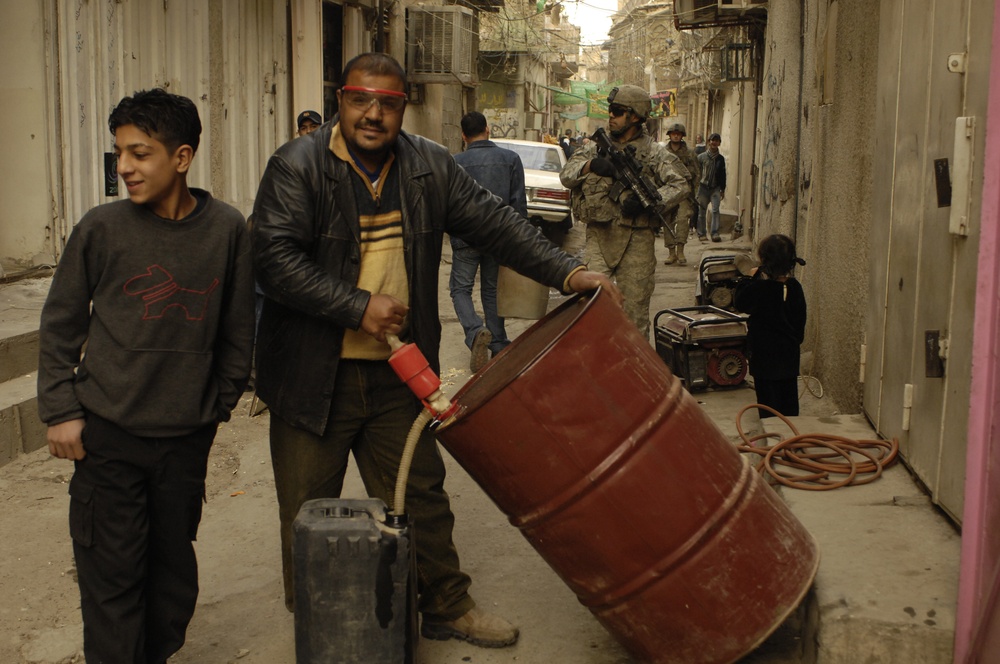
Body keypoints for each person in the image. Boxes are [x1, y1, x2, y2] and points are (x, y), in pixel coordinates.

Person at [249, 53, 619, 649]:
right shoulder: (297, 165)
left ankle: (447, 604)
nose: (373, 114)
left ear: (403, 108)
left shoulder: (429, 166)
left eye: (387, 104)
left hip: (397, 371)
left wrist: (570, 273)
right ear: (340, 100)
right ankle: (317, 622)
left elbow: (497, 225)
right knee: (307, 510)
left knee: (422, 496)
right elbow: (273, 259)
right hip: (309, 373)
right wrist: (356, 305)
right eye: (360, 100)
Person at [36, 88, 256, 663]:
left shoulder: (227, 229)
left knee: (171, 579)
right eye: (119, 155)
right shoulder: (101, 228)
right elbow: (60, 323)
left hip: (184, 439)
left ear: (181, 158)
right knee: (111, 577)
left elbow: (238, 332)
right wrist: (61, 410)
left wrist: (216, 405)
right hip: (108, 435)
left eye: (140, 153)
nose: (125, 168)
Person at [560, 84, 690, 339]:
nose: (611, 116)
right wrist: (590, 165)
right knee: (588, 311)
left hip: (638, 239)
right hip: (600, 237)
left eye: (618, 112)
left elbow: (681, 184)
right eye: (611, 110)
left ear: (635, 117)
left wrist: (650, 201)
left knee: (635, 318)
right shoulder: (594, 147)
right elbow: (566, 176)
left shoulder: (654, 153)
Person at [450, 111, 526, 371]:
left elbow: (446, 203)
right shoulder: (510, 160)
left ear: (463, 135)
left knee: (460, 289)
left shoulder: (454, 162)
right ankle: (499, 343)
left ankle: (474, 332)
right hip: (498, 236)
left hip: (465, 236)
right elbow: (518, 205)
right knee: (492, 290)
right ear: (488, 129)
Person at [734, 234, 807, 419]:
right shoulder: (795, 288)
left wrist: (748, 279)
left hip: (764, 358)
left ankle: (773, 439)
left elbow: (740, 302)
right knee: (789, 403)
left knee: (768, 406)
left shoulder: (759, 289)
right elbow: (800, 326)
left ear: (765, 261)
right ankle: (790, 440)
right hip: (788, 357)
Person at [661, 122, 700, 266]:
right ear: (670, 135)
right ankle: (671, 253)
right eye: (673, 133)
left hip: (684, 193)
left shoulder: (689, 153)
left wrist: (692, 193)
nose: (676, 136)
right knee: (667, 222)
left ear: (682, 136)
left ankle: (680, 250)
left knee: (683, 221)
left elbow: (696, 174)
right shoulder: (663, 152)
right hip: (668, 192)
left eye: (678, 134)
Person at [697, 132, 727, 242]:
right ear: (709, 142)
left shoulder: (720, 159)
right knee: (702, 211)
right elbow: (696, 173)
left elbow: (723, 175)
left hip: (715, 188)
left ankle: (715, 233)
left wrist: (722, 189)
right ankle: (701, 234)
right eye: (712, 140)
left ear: (719, 143)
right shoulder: (701, 157)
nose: (714, 142)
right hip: (703, 188)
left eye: (716, 140)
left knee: (715, 210)